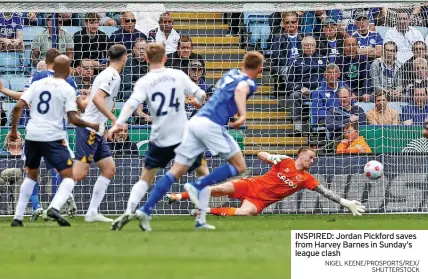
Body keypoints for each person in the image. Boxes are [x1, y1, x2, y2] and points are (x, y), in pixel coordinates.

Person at [117, 51, 263, 231]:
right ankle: (196, 186)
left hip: (193, 122)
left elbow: (218, 94)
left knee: (176, 170)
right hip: (212, 125)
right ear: (260, 69)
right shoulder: (249, 82)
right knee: (239, 166)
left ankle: (147, 209)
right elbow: (240, 90)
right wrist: (242, 116)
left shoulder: (230, 73)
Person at [108, 43, 207, 231]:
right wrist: (197, 102)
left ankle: (129, 210)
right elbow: (201, 94)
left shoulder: (144, 81)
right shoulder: (178, 75)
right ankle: (200, 218)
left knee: (145, 178)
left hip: (160, 136)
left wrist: (118, 123)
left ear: (146, 59)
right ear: (165, 58)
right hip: (182, 136)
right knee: (203, 173)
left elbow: (131, 104)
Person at [9, 55, 99, 227]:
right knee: (69, 176)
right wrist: (91, 124)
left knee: (31, 176)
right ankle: (54, 207)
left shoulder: (36, 83)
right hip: (53, 137)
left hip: (32, 135)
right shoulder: (67, 87)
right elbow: (73, 118)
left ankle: (18, 218)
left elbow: (18, 107)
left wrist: (13, 131)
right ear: (68, 70)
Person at [167, 147, 365, 217]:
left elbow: (325, 191)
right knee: (218, 189)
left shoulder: (306, 179)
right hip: (251, 184)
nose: (312, 161)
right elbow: (260, 154)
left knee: (246, 213)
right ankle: (177, 196)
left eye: (313, 159)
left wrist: (345, 203)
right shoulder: (285, 161)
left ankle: (204, 211)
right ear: (301, 155)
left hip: (260, 201)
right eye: (310, 157)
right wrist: (271, 156)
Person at [72, 44, 128, 223]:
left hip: (98, 130)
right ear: (125, 57)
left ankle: (92, 212)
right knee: (80, 174)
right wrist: (114, 119)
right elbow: (97, 99)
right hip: (90, 128)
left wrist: (77, 98)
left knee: (109, 169)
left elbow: (87, 103)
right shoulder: (112, 75)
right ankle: (55, 205)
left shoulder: (103, 75)